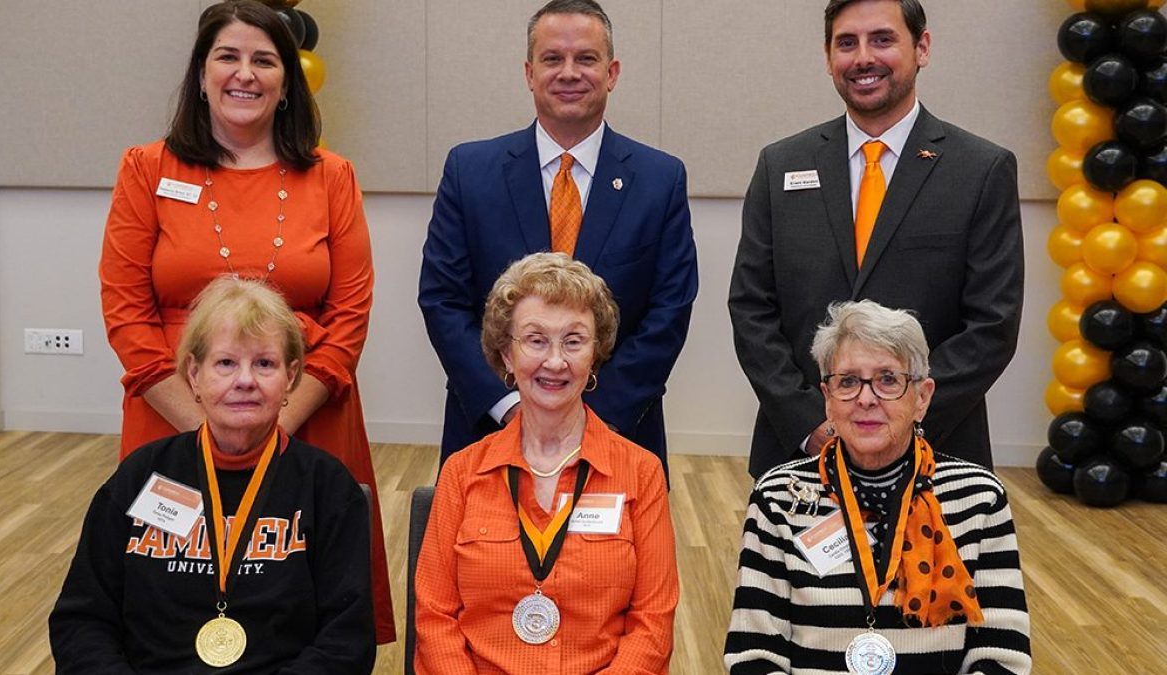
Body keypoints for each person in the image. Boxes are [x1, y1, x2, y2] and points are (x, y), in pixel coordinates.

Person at [97, 0, 393, 641]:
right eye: (227, 56)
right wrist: (206, 427)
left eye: (265, 60)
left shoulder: (332, 176)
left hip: (305, 415)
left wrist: (272, 424)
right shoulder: (148, 170)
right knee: (169, 593)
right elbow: (126, 313)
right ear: (201, 74)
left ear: (289, 81)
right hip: (171, 412)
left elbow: (349, 317)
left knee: (305, 592)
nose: (245, 73)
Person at [728, 0, 1023, 477]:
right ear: (828, 58)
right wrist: (812, 423)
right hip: (801, 454)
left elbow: (992, 326)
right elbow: (751, 310)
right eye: (847, 43)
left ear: (921, 47)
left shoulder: (981, 170)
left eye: (882, 39)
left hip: (936, 454)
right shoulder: (780, 165)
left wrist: (899, 421)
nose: (863, 57)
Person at [418, 0, 698, 477]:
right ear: (529, 73)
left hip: (619, 435)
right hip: (489, 431)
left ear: (611, 73)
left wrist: (589, 419)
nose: (569, 72)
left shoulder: (659, 178)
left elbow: (668, 312)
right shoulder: (470, 171)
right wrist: (510, 407)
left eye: (585, 59)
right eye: (552, 59)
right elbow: (443, 300)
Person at [51, 277, 377, 673]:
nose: (245, 380)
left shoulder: (327, 488)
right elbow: (82, 620)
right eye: (225, 363)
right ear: (193, 375)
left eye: (264, 363)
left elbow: (347, 641)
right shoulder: (140, 476)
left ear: (291, 377)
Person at [723, 300, 1031, 674]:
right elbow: (753, 655)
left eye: (888, 379)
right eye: (848, 381)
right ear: (828, 400)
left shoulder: (979, 497)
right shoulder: (779, 496)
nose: (866, 399)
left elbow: (1002, 656)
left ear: (922, 397)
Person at [415, 252, 678, 673]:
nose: (555, 361)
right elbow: (434, 617)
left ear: (595, 354)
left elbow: (653, 625)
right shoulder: (462, 473)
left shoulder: (641, 474)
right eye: (535, 340)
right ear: (506, 353)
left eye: (573, 341)